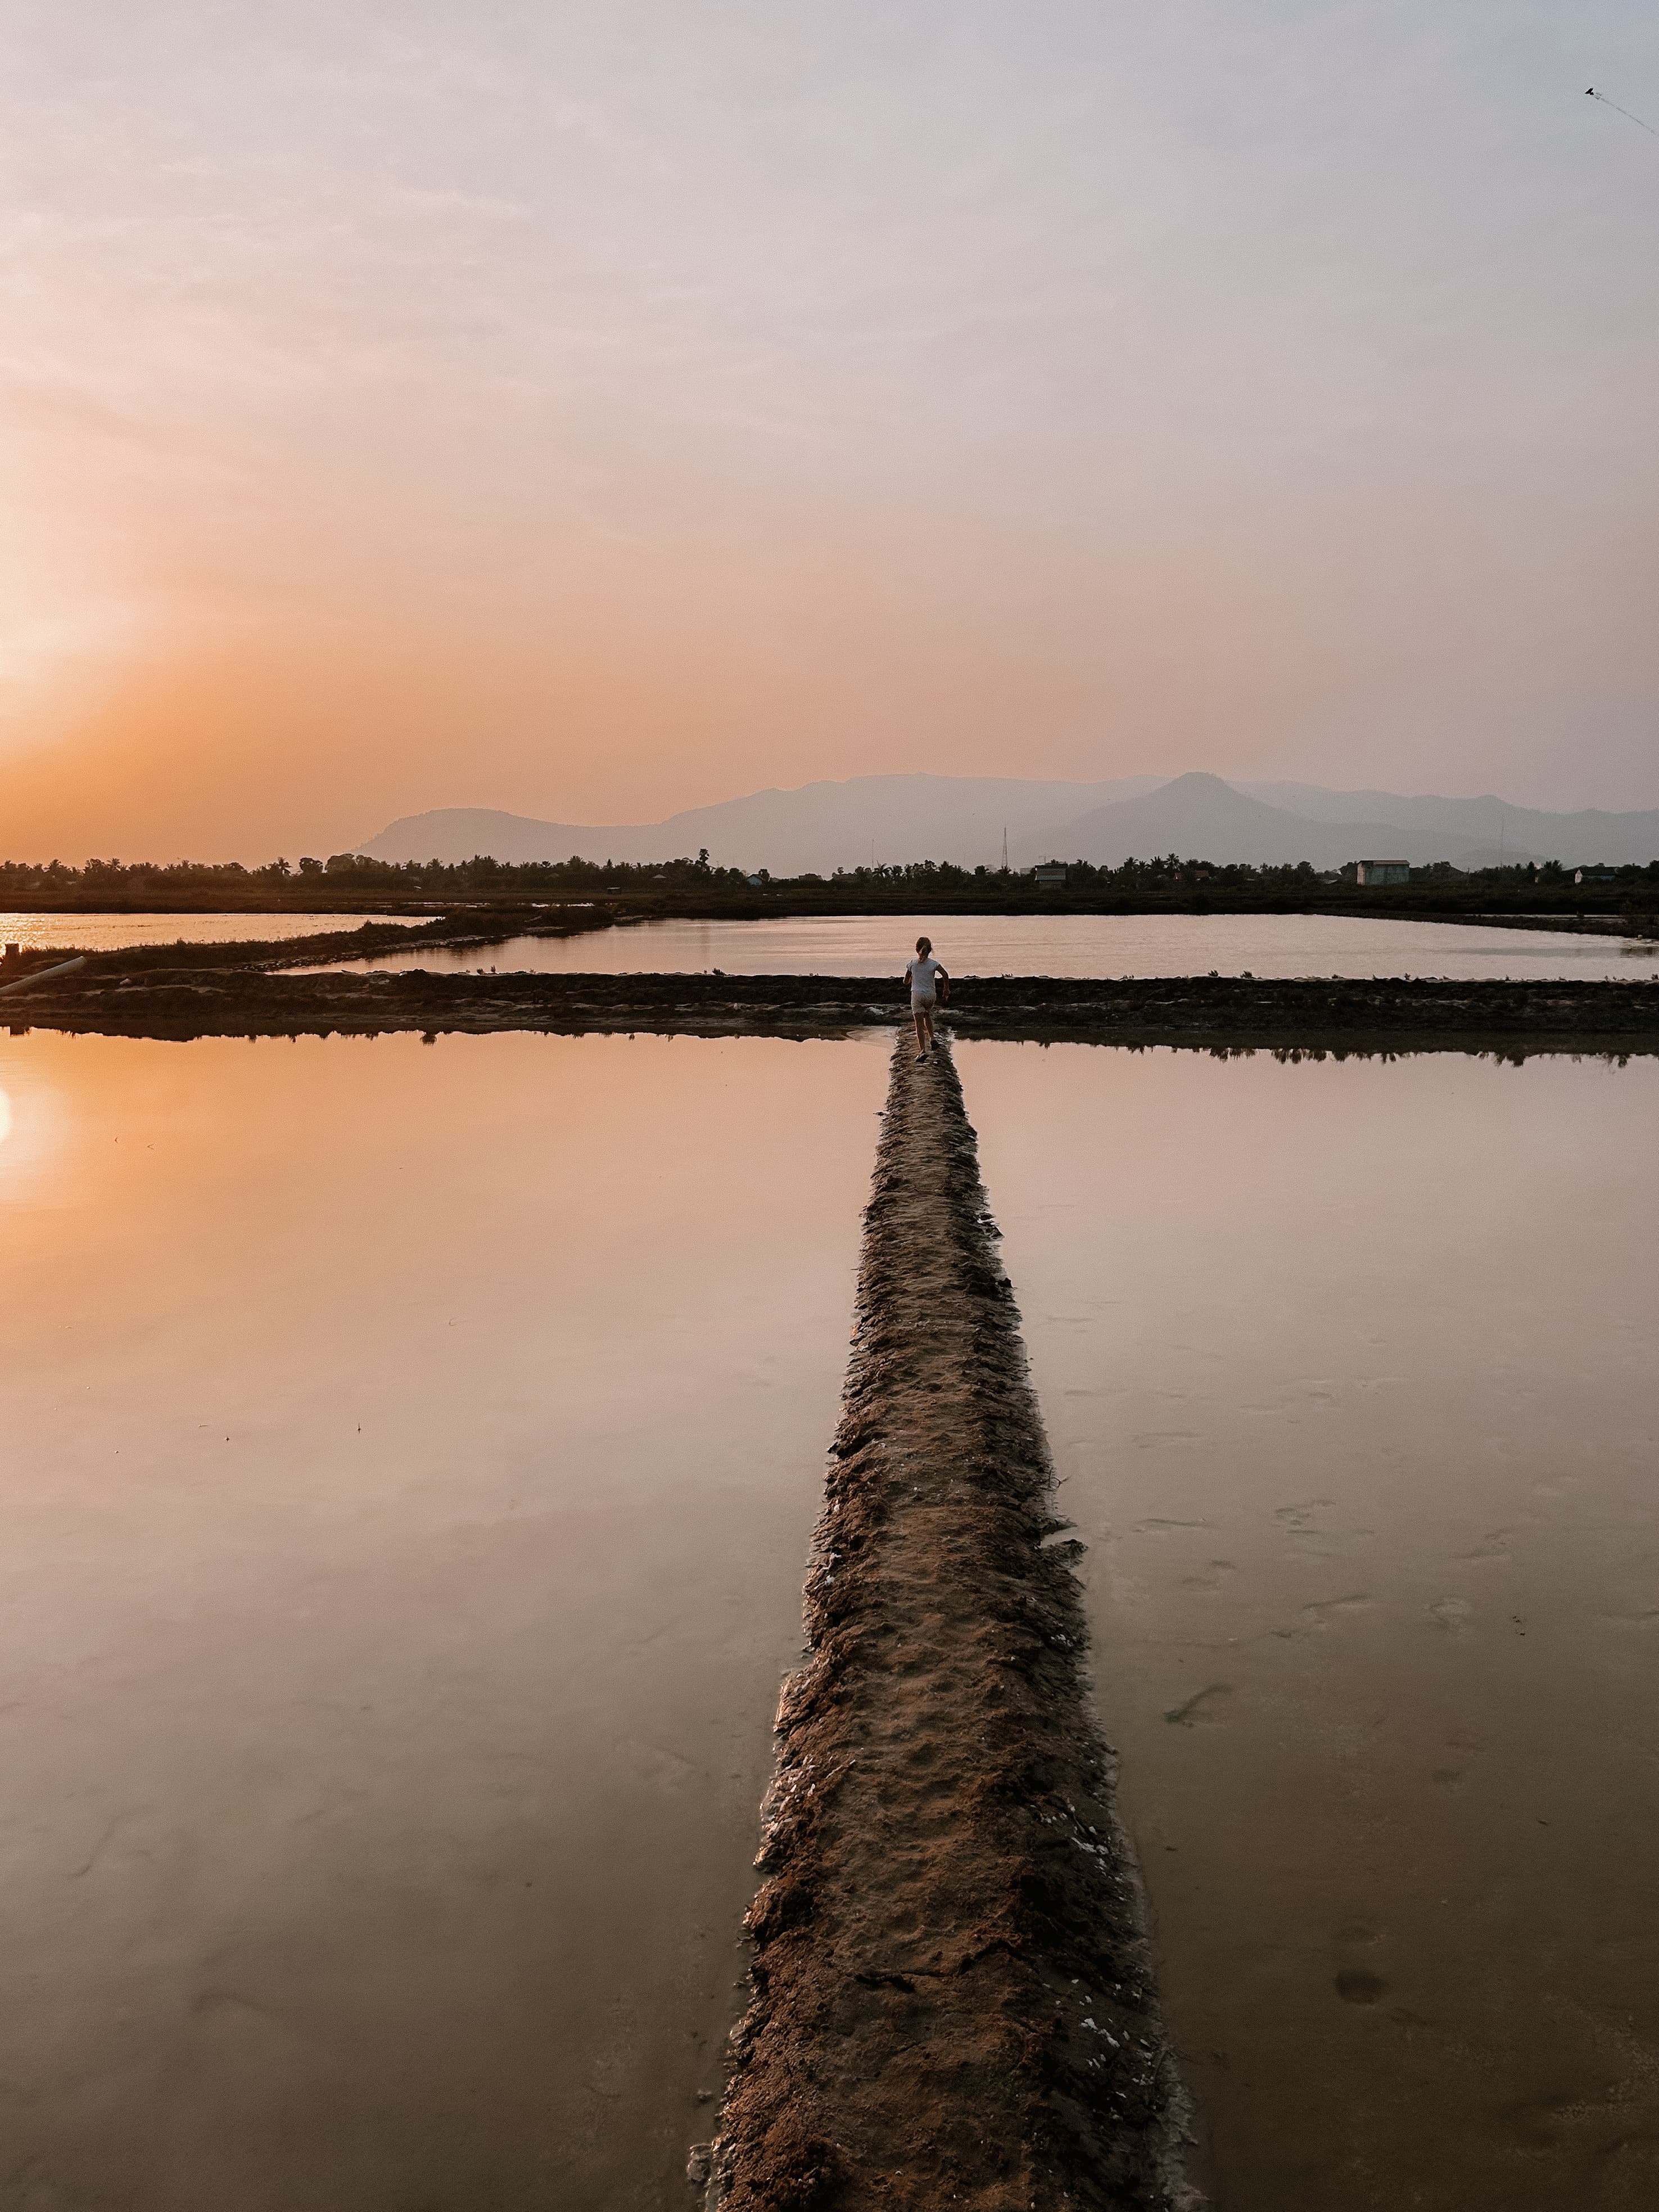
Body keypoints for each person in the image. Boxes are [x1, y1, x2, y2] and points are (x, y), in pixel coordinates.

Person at [904, 936, 948, 1061]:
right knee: (927, 1015)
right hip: (931, 996)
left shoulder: (912, 964)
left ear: (916, 949)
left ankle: (923, 1051)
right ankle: (932, 1038)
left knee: (919, 1024)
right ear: (930, 950)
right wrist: (946, 989)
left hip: (917, 995)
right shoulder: (934, 964)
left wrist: (911, 979)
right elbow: (945, 975)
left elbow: (906, 982)